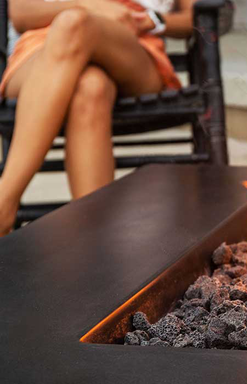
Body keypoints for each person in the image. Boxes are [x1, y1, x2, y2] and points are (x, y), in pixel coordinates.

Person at [0, 0, 195, 236]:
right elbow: (21, 14)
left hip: (130, 49)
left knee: (75, 23)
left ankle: (4, 202)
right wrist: (89, 5)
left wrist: (154, 19)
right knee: (91, 86)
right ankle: (95, 246)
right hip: (40, 49)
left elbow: (196, 13)